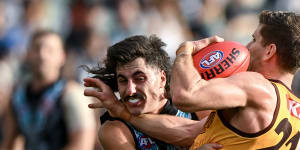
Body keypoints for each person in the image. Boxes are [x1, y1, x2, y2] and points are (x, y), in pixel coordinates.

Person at [84, 10, 300, 149]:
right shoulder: (295, 110)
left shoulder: (255, 84)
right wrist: (122, 113)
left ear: (270, 51)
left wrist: (185, 51)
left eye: (254, 39)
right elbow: (187, 132)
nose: (247, 46)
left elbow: (184, 95)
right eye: (123, 80)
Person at [83, 35, 213, 150]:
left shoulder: (195, 106)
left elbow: (198, 133)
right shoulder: (115, 130)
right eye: (123, 81)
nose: (130, 90)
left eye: (139, 79)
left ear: (162, 79)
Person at [1, 30, 97, 150]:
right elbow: (10, 142)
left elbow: (82, 145)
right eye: (37, 49)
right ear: (28, 54)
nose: (42, 55)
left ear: (62, 57)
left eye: (50, 50)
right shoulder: (18, 97)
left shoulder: (72, 94)